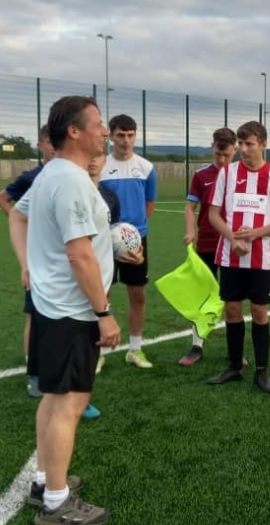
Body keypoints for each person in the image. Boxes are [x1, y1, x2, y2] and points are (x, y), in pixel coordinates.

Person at [9, 95, 118, 524]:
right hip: (73, 311)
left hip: (52, 306)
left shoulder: (51, 173)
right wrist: (104, 311)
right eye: (97, 123)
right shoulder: (70, 179)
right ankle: (56, 503)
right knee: (70, 403)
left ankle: (44, 480)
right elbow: (79, 255)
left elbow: (17, 218)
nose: (104, 131)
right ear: (74, 131)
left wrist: (29, 266)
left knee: (54, 398)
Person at [205, 120, 270, 394]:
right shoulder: (227, 173)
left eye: (249, 144)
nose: (243, 149)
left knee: (258, 311)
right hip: (230, 255)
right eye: (240, 144)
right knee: (232, 310)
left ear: (263, 145)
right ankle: (234, 366)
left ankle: (262, 371)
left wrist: (254, 234)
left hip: (260, 258)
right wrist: (233, 240)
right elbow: (212, 215)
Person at [0, 124, 54, 397]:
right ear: (40, 145)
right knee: (35, 313)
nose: (54, 146)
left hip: (60, 258)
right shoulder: (32, 178)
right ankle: (33, 372)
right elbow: (3, 198)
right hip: (36, 257)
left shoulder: (71, 175)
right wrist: (24, 222)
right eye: (49, 142)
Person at [99, 114, 157, 370]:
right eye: (120, 135)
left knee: (138, 295)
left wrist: (133, 234)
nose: (126, 140)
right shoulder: (99, 165)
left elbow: (149, 204)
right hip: (103, 240)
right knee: (102, 296)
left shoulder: (146, 168)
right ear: (111, 136)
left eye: (130, 135)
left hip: (136, 242)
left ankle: (135, 349)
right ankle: (97, 352)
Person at [179, 127, 238, 366]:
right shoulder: (201, 176)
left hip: (234, 247)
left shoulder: (242, 175)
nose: (222, 160)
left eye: (227, 155)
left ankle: (234, 351)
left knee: (233, 299)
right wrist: (191, 230)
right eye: (218, 155)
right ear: (212, 148)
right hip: (206, 244)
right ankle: (196, 346)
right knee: (202, 297)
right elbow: (190, 207)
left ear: (235, 149)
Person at [89, 154, 144, 375]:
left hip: (102, 262)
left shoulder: (109, 196)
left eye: (98, 155)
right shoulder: (72, 190)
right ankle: (93, 356)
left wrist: (128, 250)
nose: (92, 160)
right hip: (77, 263)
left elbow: (114, 233)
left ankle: (97, 355)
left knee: (100, 303)